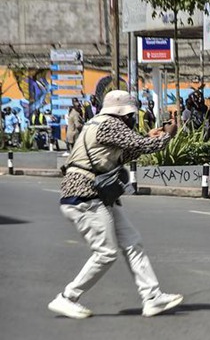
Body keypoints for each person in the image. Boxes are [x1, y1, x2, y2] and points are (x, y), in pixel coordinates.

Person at [47, 90, 182, 319]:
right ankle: (67, 297)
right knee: (106, 253)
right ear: (123, 113)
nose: (131, 118)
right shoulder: (111, 124)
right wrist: (166, 136)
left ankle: (152, 297)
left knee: (132, 242)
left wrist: (150, 136)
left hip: (96, 196)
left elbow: (124, 153)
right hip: (85, 196)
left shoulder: (98, 123)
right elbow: (141, 146)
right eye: (130, 114)